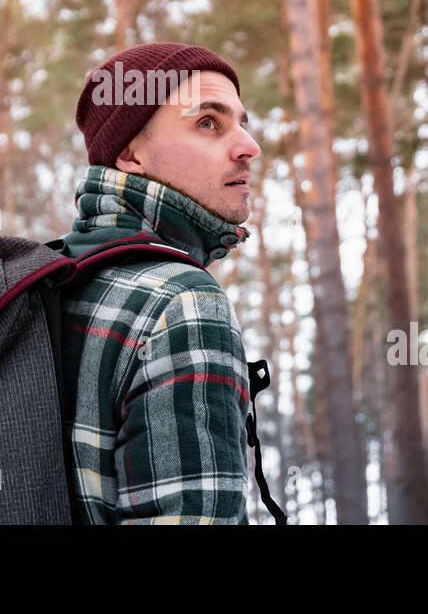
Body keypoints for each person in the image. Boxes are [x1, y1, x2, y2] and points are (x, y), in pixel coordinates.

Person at [60, 42, 261, 523]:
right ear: (130, 153)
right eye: (208, 123)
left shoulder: (52, 279)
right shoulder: (183, 302)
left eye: (242, 123)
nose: (249, 147)